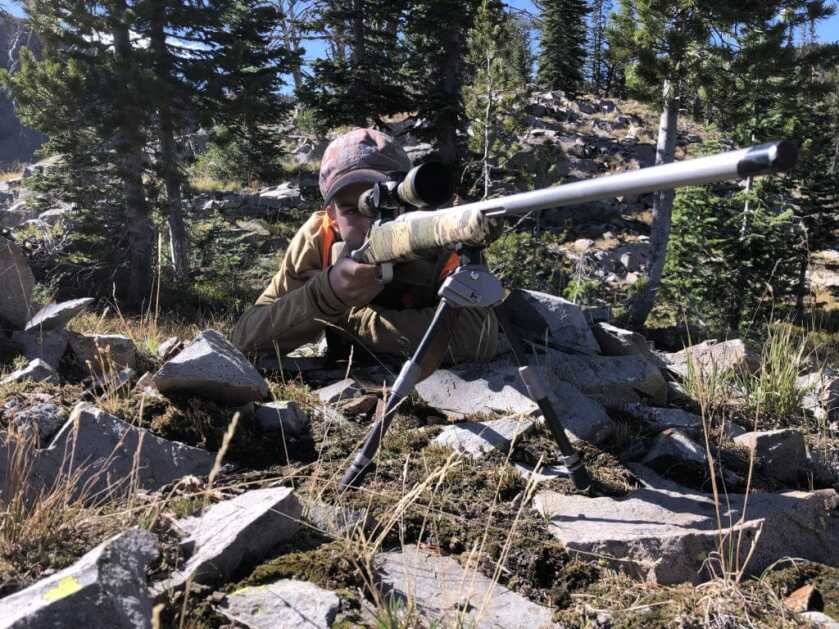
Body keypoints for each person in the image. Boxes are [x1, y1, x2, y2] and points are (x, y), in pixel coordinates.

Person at [231, 128, 497, 364]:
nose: (369, 222)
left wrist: (347, 315)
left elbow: (478, 336)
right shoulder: (318, 238)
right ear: (332, 216)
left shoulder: (440, 233)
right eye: (352, 209)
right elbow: (246, 338)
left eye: (385, 205)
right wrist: (326, 293)